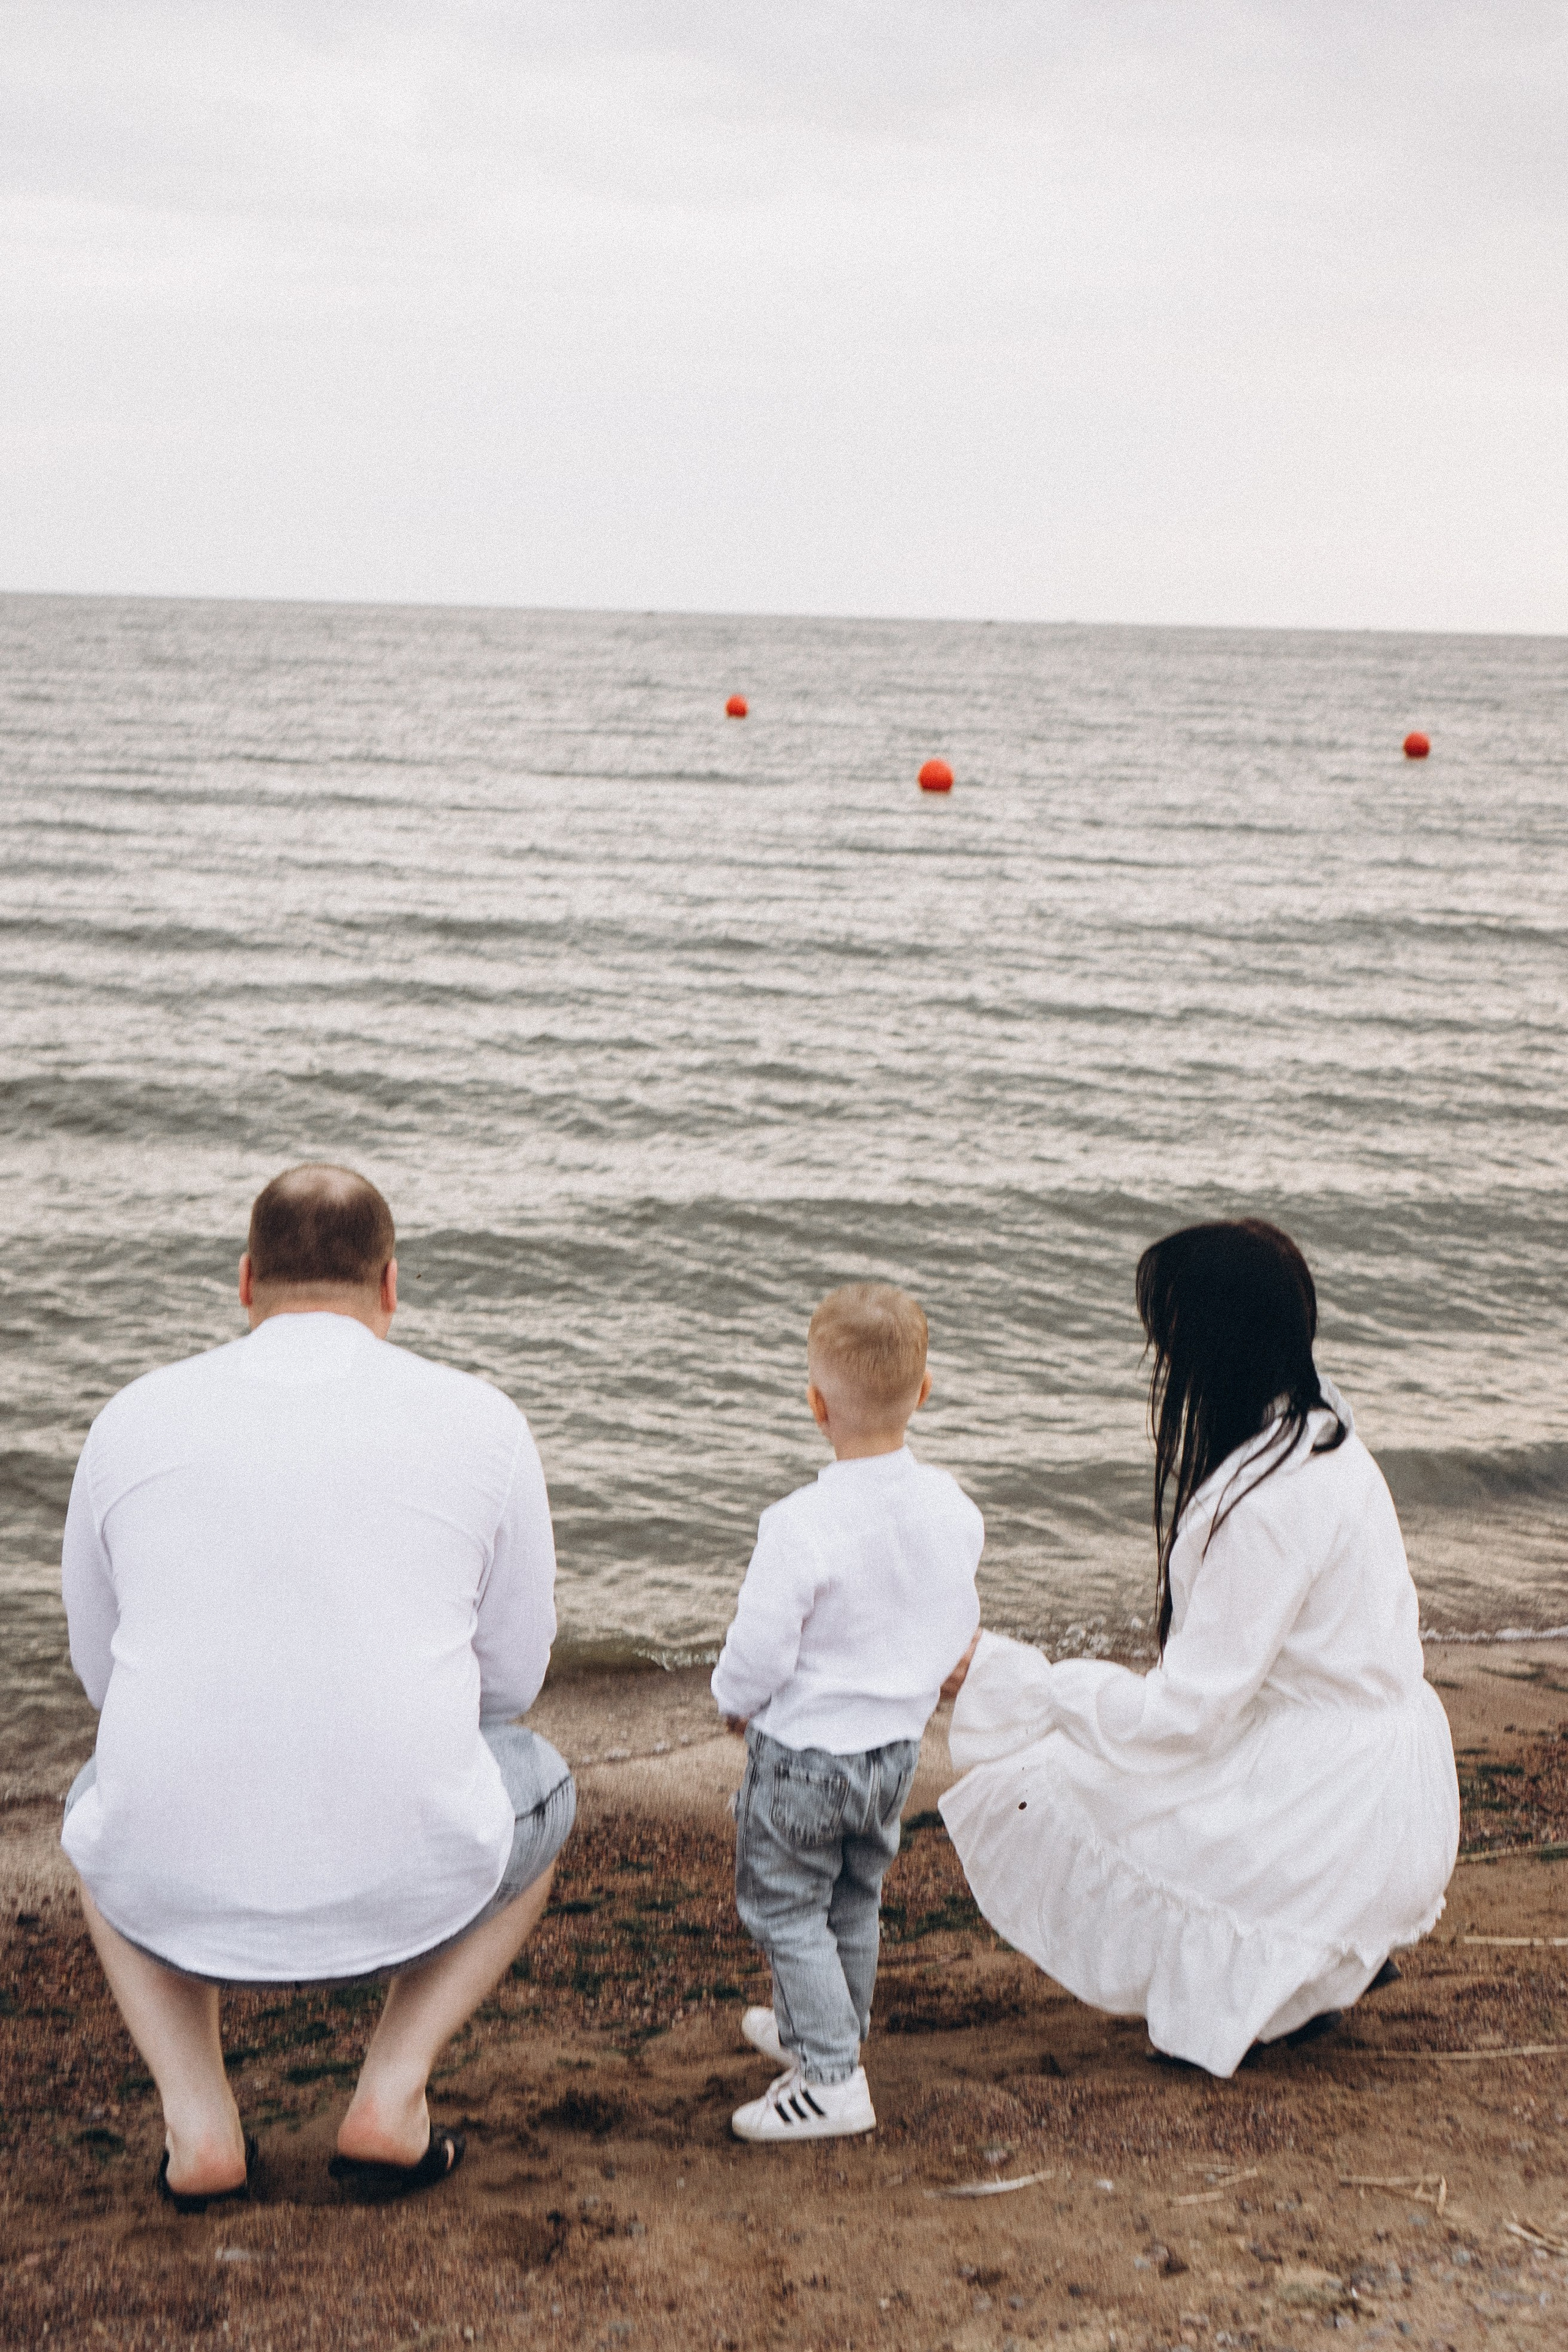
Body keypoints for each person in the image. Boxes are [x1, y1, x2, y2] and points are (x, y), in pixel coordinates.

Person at [60, 1164, 575, 2206]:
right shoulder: (481, 1419)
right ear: (392, 1286)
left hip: (168, 1875)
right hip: (417, 1880)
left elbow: (100, 1673)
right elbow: (514, 1681)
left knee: (94, 1805)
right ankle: (391, 2090)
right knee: (546, 1782)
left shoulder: (129, 1417)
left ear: (245, 1282)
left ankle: (199, 2123)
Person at [938, 1219, 1460, 2079]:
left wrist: (1015, 1677)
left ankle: (1298, 1963)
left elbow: (1185, 1716)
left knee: (1055, 1779)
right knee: (1110, 1773)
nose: (1160, 1359)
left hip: (1344, 1812)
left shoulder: (1266, 1504)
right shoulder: (1321, 1429)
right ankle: (1319, 1960)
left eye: (1167, 1338)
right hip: (1392, 1784)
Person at [712, 1283, 983, 2141]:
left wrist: (734, 1702)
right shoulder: (952, 1507)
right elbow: (957, 1623)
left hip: (805, 1759)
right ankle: (824, 2030)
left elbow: (762, 1645)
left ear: (816, 1405)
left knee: (785, 1907)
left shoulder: (800, 1522)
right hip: (893, 1753)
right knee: (853, 1899)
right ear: (925, 1393)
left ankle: (831, 2076)